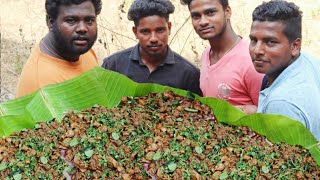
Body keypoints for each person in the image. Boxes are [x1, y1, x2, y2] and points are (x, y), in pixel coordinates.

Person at [249, 0, 320, 141]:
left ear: (295, 46)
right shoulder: (305, 60)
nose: (257, 50)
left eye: (270, 42)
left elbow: (281, 161)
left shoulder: (280, 104)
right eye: (253, 40)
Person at [102, 0, 202, 96]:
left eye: (160, 30)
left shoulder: (188, 74)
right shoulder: (113, 66)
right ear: (135, 32)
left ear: (169, 28)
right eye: (145, 31)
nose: (153, 39)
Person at [180, 0, 264, 114]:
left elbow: (270, 115)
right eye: (196, 16)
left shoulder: (251, 61)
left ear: (227, 12)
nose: (203, 22)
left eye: (210, 12)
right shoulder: (206, 55)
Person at [16, 0, 102, 98]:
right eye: (71, 20)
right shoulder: (42, 84)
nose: (82, 28)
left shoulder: (80, 49)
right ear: (51, 22)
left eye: (89, 20)